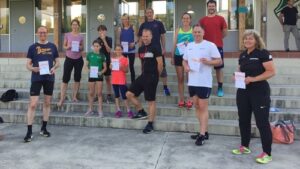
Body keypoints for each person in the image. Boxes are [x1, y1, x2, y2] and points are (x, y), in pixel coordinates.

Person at [231, 30, 275, 164]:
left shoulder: (263, 53)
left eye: (250, 39)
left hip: (259, 92)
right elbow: (239, 70)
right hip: (243, 92)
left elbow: (271, 72)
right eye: (245, 39)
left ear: (256, 40)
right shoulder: (243, 55)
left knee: (262, 122)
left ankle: (267, 153)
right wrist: (236, 75)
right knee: (243, 120)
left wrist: (253, 79)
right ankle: (245, 146)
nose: (247, 41)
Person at [182, 25, 222, 146]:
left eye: (199, 32)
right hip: (192, 82)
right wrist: (186, 67)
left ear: (203, 33)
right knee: (197, 106)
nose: (197, 34)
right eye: (195, 32)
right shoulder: (189, 45)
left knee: (203, 107)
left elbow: (219, 61)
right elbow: (184, 60)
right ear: (192, 33)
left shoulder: (210, 45)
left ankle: (202, 134)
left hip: (204, 82)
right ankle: (203, 131)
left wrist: (208, 62)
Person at [24, 26, 60, 142]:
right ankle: (29, 131)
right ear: (37, 33)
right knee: (33, 104)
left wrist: (54, 68)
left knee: (47, 102)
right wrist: (32, 68)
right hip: (36, 78)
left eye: (44, 32)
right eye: (40, 32)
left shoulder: (53, 46)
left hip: (49, 77)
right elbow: (27, 64)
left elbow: (58, 62)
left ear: (47, 33)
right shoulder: (32, 47)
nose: (42, 34)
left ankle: (44, 128)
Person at [126, 29, 163, 134]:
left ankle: (150, 123)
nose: (145, 38)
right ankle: (141, 111)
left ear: (151, 36)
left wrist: (156, 76)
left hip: (152, 76)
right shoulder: (141, 49)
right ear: (141, 37)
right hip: (143, 76)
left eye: (147, 36)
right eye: (144, 36)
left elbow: (160, 64)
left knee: (151, 101)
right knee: (129, 94)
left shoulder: (156, 47)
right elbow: (143, 62)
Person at [138, 8, 171, 96]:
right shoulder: (143, 25)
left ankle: (165, 87)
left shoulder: (159, 23)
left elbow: (163, 36)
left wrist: (163, 48)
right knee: (145, 68)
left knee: (162, 68)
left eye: (150, 12)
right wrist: (140, 48)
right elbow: (141, 38)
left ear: (153, 13)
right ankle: (146, 85)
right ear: (145, 14)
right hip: (146, 51)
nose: (149, 14)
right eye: (147, 12)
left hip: (157, 51)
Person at [199, 0, 227, 97]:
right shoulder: (202, 20)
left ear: (215, 7)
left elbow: (224, 32)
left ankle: (220, 87)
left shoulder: (221, 19)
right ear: (207, 7)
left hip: (218, 46)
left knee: (219, 68)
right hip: (205, 47)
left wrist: (217, 39)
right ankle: (207, 87)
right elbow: (199, 32)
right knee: (206, 67)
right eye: (210, 6)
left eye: (213, 6)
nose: (211, 7)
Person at [57, 19, 84, 107]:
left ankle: (74, 96)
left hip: (78, 59)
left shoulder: (81, 36)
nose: (74, 26)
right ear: (71, 26)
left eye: (76, 25)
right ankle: (62, 98)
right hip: (69, 58)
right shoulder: (67, 35)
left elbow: (82, 47)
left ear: (78, 26)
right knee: (65, 78)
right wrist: (68, 46)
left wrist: (80, 47)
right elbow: (64, 46)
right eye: (73, 24)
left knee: (77, 78)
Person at [171, 12, 194, 109]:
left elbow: (196, 43)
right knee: (180, 78)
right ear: (181, 19)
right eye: (184, 18)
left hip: (189, 57)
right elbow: (174, 43)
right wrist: (172, 56)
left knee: (189, 79)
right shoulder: (178, 30)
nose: (185, 20)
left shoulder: (193, 30)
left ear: (190, 20)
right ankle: (181, 99)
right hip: (178, 56)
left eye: (187, 18)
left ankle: (190, 99)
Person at [85, 40, 107, 117]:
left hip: (99, 76)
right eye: (94, 46)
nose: (96, 47)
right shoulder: (89, 55)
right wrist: (89, 70)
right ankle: (90, 109)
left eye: (97, 46)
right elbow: (86, 66)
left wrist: (101, 72)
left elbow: (105, 68)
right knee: (91, 93)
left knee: (99, 93)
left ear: (100, 47)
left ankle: (100, 110)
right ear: (92, 46)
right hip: (91, 75)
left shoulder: (102, 55)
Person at [111, 45, 134, 118]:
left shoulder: (125, 59)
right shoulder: (113, 59)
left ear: (122, 50)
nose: (118, 51)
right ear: (114, 50)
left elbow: (127, 70)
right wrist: (110, 67)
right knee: (116, 95)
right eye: (116, 50)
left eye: (119, 49)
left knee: (124, 96)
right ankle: (118, 110)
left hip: (121, 80)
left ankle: (128, 110)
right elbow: (111, 69)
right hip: (114, 80)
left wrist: (122, 67)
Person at [116, 13, 137, 83]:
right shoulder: (120, 28)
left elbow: (137, 38)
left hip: (131, 50)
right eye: (123, 19)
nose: (124, 20)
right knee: (123, 66)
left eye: (126, 19)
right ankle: (123, 82)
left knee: (131, 66)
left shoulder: (133, 27)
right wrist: (119, 46)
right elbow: (118, 39)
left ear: (128, 19)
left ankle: (133, 83)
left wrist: (134, 43)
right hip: (123, 51)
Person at [96, 25, 114, 103]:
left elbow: (109, 50)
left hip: (107, 61)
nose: (101, 32)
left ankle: (109, 96)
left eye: (103, 30)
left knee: (108, 79)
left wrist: (104, 40)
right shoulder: (96, 40)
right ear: (98, 32)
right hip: (99, 62)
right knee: (98, 80)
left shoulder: (109, 39)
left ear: (106, 31)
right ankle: (98, 95)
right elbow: (95, 51)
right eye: (100, 31)